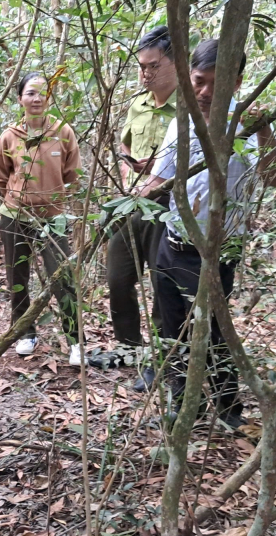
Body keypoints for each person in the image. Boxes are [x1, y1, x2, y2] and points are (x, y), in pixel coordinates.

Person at [137, 38, 276, 427]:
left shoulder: (250, 125)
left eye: (215, 85)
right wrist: (133, 192)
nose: (204, 93)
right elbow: (161, 179)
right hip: (172, 244)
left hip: (216, 250)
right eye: (198, 81)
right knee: (172, 328)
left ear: (236, 84)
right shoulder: (181, 120)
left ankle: (228, 411)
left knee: (215, 333)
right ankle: (184, 405)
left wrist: (265, 130)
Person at [99, 26, 178, 391]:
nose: (145, 74)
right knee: (117, 279)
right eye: (141, 67)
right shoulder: (138, 103)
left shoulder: (190, 108)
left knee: (163, 286)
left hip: (169, 209)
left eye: (153, 66)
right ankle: (128, 348)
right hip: (131, 204)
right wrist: (128, 172)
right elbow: (124, 147)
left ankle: (160, 362)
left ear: (176, 64)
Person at [0, 72, 84, 366]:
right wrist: (20, 199)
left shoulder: (63, 132)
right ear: (20, 99)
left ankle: (75, 341)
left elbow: (73, 176)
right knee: (17, 276)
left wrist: (52, 199)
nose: (37, 98)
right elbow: (0, 176)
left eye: (43, 92)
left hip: (53, 217)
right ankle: (25, 333)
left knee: (63, 277)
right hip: (15, 215)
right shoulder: (9, 135)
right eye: (30, 93)